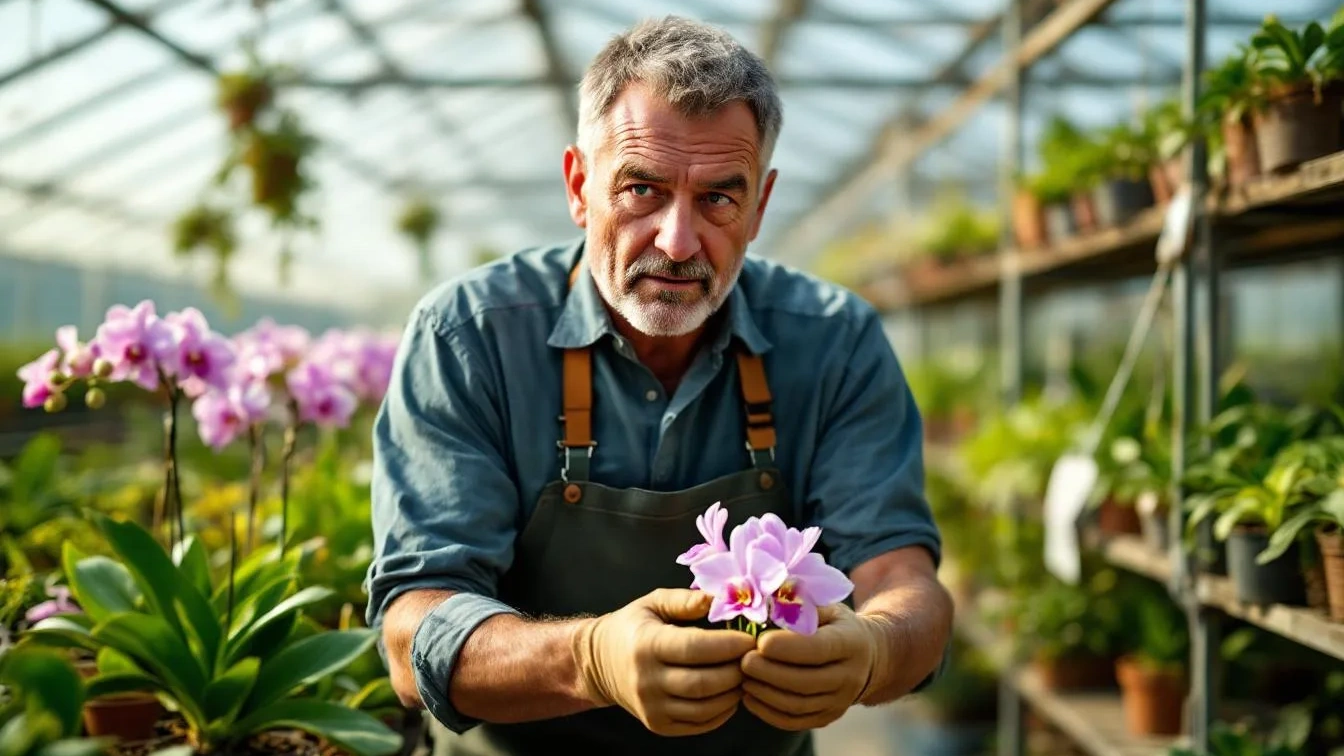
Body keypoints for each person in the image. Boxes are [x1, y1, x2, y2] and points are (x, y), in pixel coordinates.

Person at [366, 15, 953, 756]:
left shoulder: (835, 342)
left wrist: (874, 648)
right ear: (581, 187)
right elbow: (413, 628)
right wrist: (590, 659)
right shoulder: (470, 337)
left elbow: (904, 577)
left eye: (718, 198)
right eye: (641, 189)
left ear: (761, 207)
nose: (678, 243)